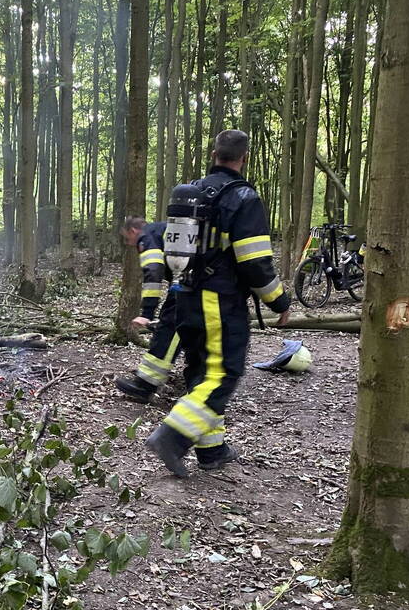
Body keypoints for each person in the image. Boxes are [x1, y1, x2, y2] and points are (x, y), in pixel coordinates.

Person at [145, 130, 290, 477]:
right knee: (224, 372)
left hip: (186, 295)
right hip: (218, 300)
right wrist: (279, 300)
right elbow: (254, 260)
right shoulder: (242, 197)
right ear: (245, 157)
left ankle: (212, 450)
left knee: (201, 371)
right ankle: (173, 435)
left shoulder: (193, 191)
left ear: (214, 154)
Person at [115, 216, 181, 403]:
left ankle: (145, 385)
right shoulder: (162, 231)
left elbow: (153, 271)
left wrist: (147, 314)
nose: (129, 244)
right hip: (206, 284)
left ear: (133, 231)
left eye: (128, 239)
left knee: (168, 330)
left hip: (190, 288)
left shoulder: (147, 236)